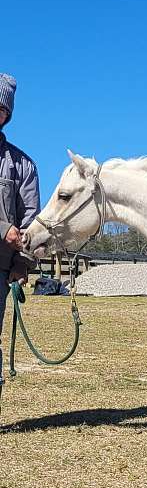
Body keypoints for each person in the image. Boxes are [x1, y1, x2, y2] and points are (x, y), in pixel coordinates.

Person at [0, 73, 41, 332]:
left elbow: (30, 223)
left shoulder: (23, 165)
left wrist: (21, 263)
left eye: (1, 109)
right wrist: (3, 228)